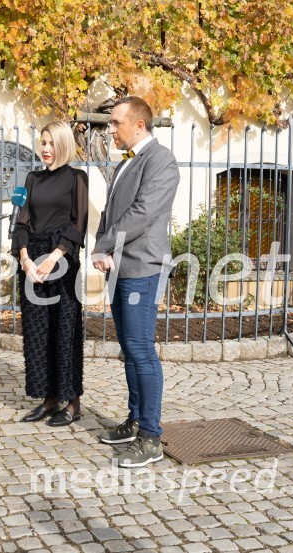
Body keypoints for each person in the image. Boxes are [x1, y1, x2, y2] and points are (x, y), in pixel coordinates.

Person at [91, 96, 179, 468]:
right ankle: (135, 420)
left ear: (139, 125)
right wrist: (100, 247)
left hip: (143, 268)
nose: (110, 129)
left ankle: (151, 436)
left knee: (141, 349)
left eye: (115, 123)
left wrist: (106, 244)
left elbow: (142, 213)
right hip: (120, 267)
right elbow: (112, 213)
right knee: (128, 348)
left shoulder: (161, 160)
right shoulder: (128, 161)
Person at [12, 121, 88, 427]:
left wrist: (55, 257)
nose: (45, 148)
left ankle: (72, 401)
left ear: (63, 144)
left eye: (51, 143)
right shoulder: (31, 179)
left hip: (62, 264)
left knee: (65, 332)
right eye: (42, 142)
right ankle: (48, 398)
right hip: (33, 266)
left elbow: (78, 223)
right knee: (37, 333)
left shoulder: (76, 178)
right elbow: (21, 223)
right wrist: (26, 259)